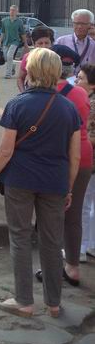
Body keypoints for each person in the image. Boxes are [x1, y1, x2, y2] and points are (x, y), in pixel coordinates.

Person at [0, 48, 81, 318]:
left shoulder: (18, 104)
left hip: (20, 179)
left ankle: (24, 300)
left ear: (31, 70)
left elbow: (5, 150)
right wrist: (69, 187)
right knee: (52, 241)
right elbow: (74, 155)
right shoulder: (69, 108)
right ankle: (54, 302)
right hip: (55, 181)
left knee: (20, 237)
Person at [42, 44, 93, 286]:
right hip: (82, 156)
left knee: (50, 215)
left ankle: (50, 267)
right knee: (74, 215)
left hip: (54, 158)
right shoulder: (80, 94)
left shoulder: (40, 94)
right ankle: (72, 266)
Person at [76, 63, 95, 260]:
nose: (77, 81)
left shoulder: (89, 104)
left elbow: (87, 135)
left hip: (89, 160)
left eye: (81, 78)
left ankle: (80, 248)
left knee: (83, 204)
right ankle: (90, 245)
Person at [55, 9, 95, 77]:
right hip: (65, 80)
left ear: (90, 25)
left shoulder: (93, 44)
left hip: (86, 81)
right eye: (76, 23)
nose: (79, 26)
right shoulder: (61, 41)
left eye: (83, 24)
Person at [16, 26, 54, 92]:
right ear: (34, 43)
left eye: (46, 43)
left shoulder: (56, 59)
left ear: (51, 43)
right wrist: (23, 93)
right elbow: (20, 78)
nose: (44, 46)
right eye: (40, 43)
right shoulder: (28, 57)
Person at [0, 5, 27, 79]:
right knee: (6, 57)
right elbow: (2, 32)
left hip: (15, 41)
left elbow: (23, 33)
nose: (12, 11)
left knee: (9, 56)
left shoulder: (19, 22)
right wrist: (0, 42)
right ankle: (13, 66)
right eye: (11, 10)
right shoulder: (4, 21)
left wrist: (25, 43)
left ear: (16, 12)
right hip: (6, 41)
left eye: (13, 10)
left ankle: (8, 74)